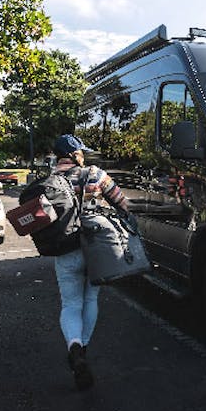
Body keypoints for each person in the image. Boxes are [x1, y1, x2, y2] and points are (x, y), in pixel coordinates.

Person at [46, 133, 129, 390]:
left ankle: (74, 347)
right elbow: (123, 203)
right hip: (95, 248)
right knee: (90, 299)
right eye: (81, 151)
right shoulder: (95, 174)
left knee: (71, 304)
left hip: (65, 249)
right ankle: (84, 348)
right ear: (74, 154)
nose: (84, 155)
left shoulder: (48, 181)